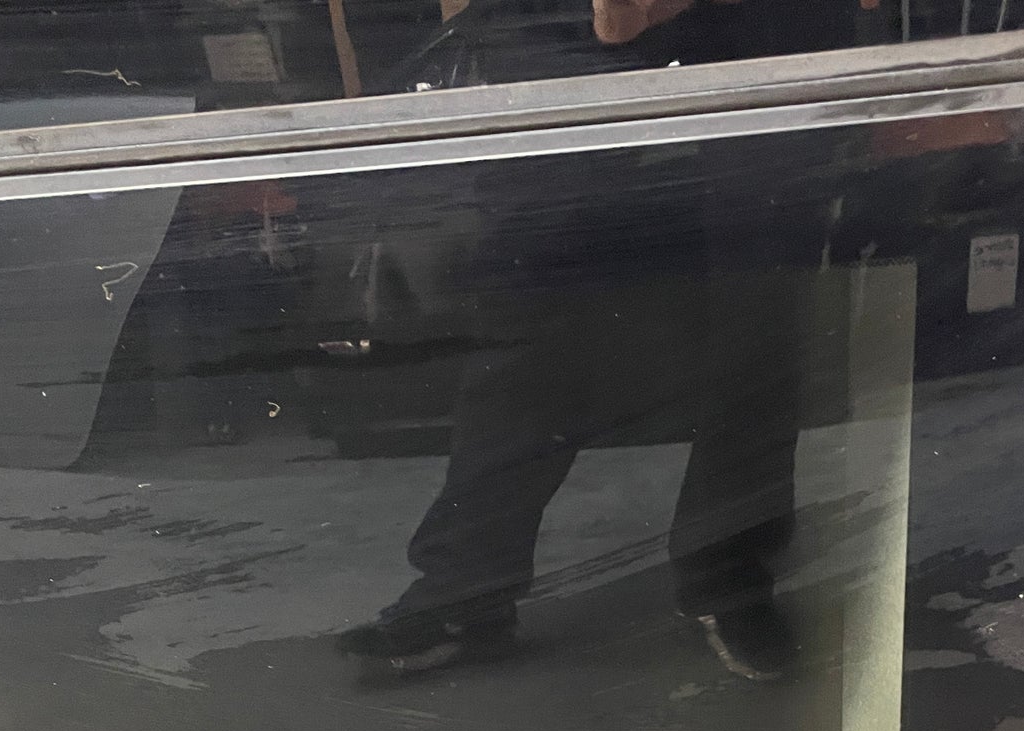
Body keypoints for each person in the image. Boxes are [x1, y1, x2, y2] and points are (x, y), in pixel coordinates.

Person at [338, 0, 848, 679]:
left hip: (754, 26)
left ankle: (728, 574)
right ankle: (464, 590)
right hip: (556, 29)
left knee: (757, 307)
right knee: (530, 313)